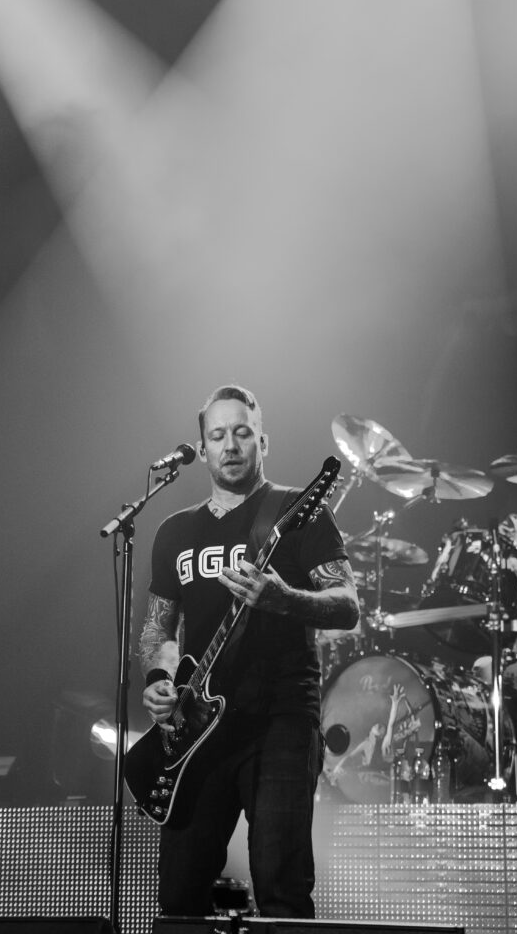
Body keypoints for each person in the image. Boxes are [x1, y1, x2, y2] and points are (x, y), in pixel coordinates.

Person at [138, 384, 359, 918]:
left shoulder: (297, 512)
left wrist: (285, 600)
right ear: (203, 446)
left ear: (263, 441)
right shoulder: (174, 532)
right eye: (217, 435)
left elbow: (348, 604)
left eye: (242, 432)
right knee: (178, 895)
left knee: (280, 885)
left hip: (279, 717)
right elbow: (159, 629)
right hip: (196, 731)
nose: (230, 444)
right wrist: (158, 681)